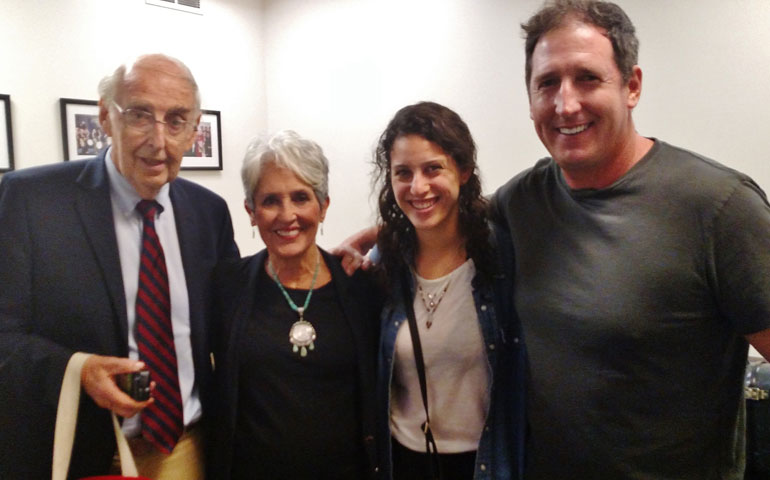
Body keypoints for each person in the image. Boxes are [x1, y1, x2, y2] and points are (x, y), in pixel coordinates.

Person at [488, 1, 770, 478]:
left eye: (588, 78)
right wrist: (380, 231)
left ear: (632, 85)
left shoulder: (720, 207)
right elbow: (448, 213)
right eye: (548, 83)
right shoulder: (523, 199)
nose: (566, 104)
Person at [0, 53, 239, 479]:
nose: (159, 141)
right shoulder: (32, 201)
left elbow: (237, 319)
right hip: (76, 454)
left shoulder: (209, 213)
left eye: (177, 120)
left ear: (192, 131)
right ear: (105, 118)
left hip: (184, 450)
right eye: (140, 115)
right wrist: (78, 369)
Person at [209, 130, 381, 479]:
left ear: (323, 206)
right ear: (251, 211)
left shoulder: (362, 288)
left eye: (301, 198)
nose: (287, 215)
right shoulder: (226, 286)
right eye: (270, 200)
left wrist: (376, 234)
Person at [372, 102, 525, 479]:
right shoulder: (384, 263)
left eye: (432, 169)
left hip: (484, 462)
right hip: (402, 459)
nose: (418, 187)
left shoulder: (503, 258)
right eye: (403, 173)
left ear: (464, 170)